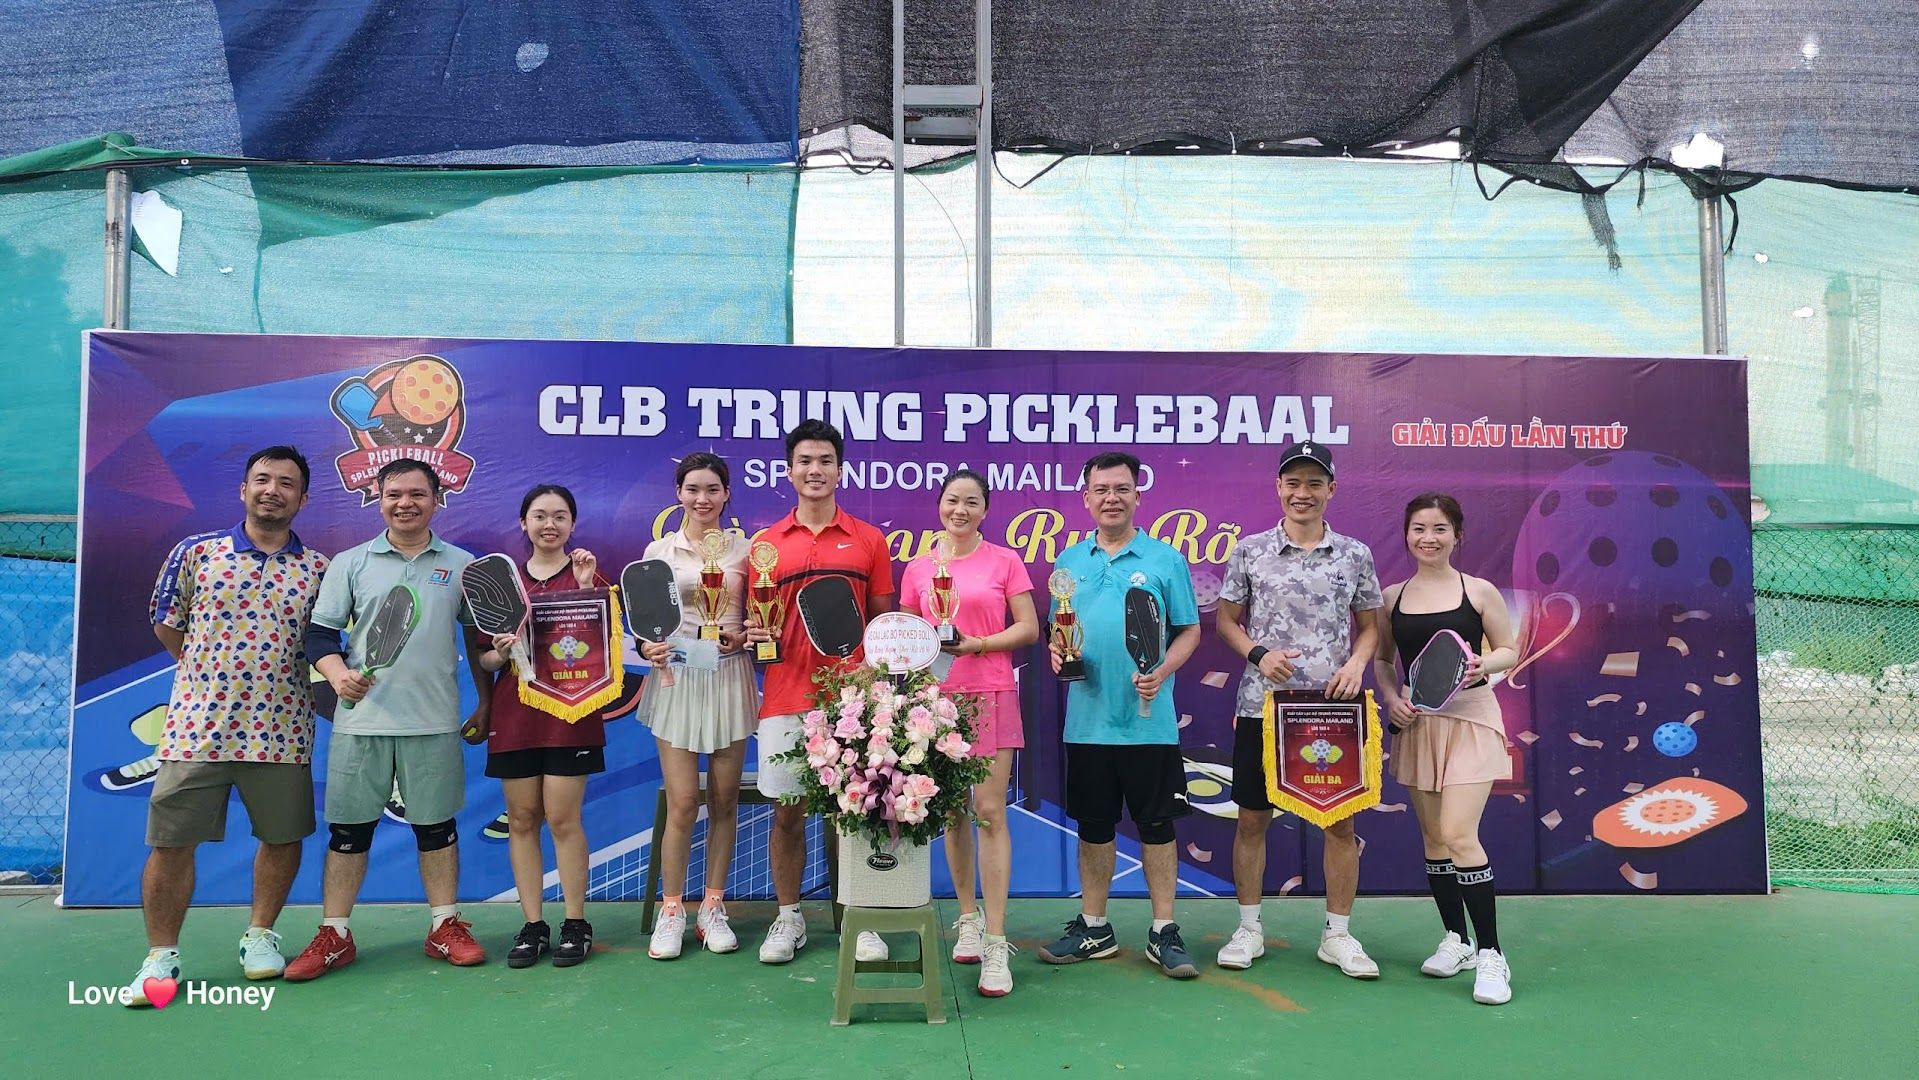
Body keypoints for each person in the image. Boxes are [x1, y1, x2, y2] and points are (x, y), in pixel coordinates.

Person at [125, 447, 331, 1004]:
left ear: (302, 498)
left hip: (283, 731)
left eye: (286, 483)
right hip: (196, 728)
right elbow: (168, 624)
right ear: (243, 489)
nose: (272, 490)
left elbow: (325, 641)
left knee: (282, 838)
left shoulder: (320, 569)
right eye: (262, 480)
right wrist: (208, 675)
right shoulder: (196, 553)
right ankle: (160, 956)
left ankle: (260, 936)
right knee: (171, 843)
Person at [284, 459, 490, 980]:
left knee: (437, 829)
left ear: (436, 499)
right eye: (394, 494)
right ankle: (335, 933)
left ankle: (444, 926)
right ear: (379, 500)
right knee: (348, 833)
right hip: (362, 723)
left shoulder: (462, 565)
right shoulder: (351, 563)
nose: (405, 503)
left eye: (417, 494)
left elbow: (478, 638)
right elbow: (320, 634)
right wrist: (337, 676)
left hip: (433, 722)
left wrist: (487, 697)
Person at [1212, 440, 1383, 978]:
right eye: (1293, 482)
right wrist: (1259, 654)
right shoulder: (1250, 550)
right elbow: (1226, 621)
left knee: (1339, 823)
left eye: (1314, 483)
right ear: (1278, 487)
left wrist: (1357, 663)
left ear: (1332, 489)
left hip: (1333, 710)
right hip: (1263, 708)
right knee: (1251, 819)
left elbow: (1371, 627)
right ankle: (1249, 928)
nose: (1302, 493)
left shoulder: (1354, 554)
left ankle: (1338, 935)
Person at [1037, 451, 1202, 980]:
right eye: (1102, 490)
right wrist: (1057, 653)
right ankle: (1094, 927)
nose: (1112, 498)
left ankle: (1163, 930)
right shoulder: (1069, 562)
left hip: (1149, 722)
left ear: (1137, 496)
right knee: (1094, 826)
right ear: (1086, 498)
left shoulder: (1164, 560)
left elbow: (1189, 629)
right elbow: (1057, 630)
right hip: (1087, 722)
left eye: (1122, 489)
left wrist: (1163, 670)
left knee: (1157, 826)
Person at [744, 420, 896, 965]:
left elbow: (881, 625)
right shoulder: (763, 545)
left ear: (839, 469)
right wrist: (753, 632)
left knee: (859, 812)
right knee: (788, 813)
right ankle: (789, 918)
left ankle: (863, 917)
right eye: (805, 461)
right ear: (789, 471)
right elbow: (753, 624)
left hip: (853, 701)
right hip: (785, 697)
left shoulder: (869, 539)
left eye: (825, 460)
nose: (815, 470)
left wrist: (872, 686)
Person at [1372, 493, 1519, 1005]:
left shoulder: (1478, 591)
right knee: (1434, 839)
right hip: (1419, 725)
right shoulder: (1391, 597)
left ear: (1457, 535)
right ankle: (1456, 940)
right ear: (1406, 534)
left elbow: (1508, 649)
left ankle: (1492, 954)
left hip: (1472, 720)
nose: (1428, 538)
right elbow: (1384, 661)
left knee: (1459, 834)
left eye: (1439, 529)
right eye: (1419, 528)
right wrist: (1392, 699)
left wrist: (1484, 664)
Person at [898, 469, 1040, 996]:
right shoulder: (918, 568)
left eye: (972, 502)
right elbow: (907, 637)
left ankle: (998, 940)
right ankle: (967, 918)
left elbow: (1029, 628)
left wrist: (977, 645)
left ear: (985, 509)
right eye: (952, 500)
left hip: (991, 694)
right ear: (940, 505)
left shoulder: (1005, 561)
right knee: (952, 812)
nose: (960, 510)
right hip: (933, 704)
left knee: (990, 812)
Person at [466, 484, 607, 968]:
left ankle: (575, 922)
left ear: (572, 524)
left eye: (560, 516)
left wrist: (586, 590)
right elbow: (485, 659)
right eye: (540, 515)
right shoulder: (502, 583)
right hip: (516, 717)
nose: (550, 524)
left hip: (571, 716)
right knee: (523, 820)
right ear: (523, 523)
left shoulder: (589, 575)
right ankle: (532, 925)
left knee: (564, 820)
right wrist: (499, 652)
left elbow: (603, 648)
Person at [633, 454, 760, 960]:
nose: (702, 499)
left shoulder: (748, 551)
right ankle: (672, 911)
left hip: (729, 677)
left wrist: (743, 637)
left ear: (727, 494)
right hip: (677, 681)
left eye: (712, 489)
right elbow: (646, 624)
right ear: (679, 494)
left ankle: (712, 906)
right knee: (684, 802)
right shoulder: (659, 551)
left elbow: (759, 618)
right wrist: (648, 647)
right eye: (693, 489)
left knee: (724, 801)